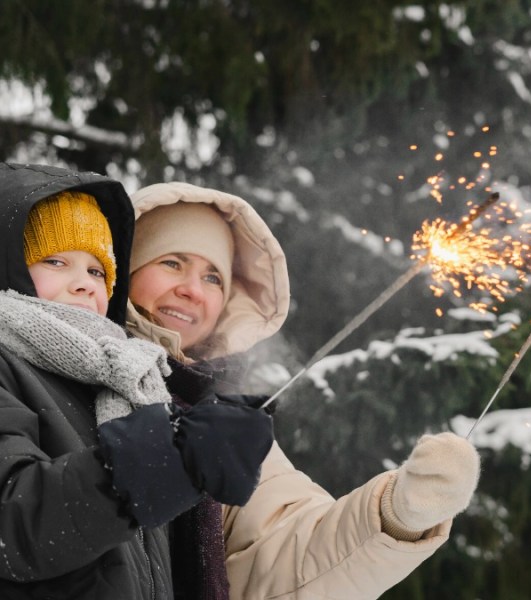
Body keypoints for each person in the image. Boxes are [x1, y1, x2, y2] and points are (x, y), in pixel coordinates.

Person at [124, 181, 481, 599]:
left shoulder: (219, 420)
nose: (193, 290)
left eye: (213, 277)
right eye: (171, 262)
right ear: (124, 265)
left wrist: (397, 513)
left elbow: (285, 556)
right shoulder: (57, 369)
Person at [0, 163, 272, 599]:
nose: (84, 285)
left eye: (96, 271)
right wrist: (167, 458)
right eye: (56, 260)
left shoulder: (122, 379)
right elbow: (13, 527)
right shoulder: (7, 364)